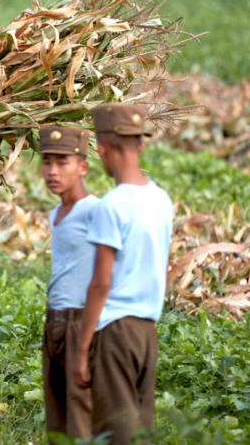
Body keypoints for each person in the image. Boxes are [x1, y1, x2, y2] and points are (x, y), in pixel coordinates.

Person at [72, 104, 173, 444]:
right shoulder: (161, 200)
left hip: (115, 331)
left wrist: (83, 348)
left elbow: (100, 284)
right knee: (140, 429)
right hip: (147, 331)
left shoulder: (110, 206)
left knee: (116, 433)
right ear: (140, 144)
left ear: (100, 150)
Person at [38, 126, 99, 443]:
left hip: (81, 322)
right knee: (56, 418)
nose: (52, 171)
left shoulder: (95, 210)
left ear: (83, 167)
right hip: (54, 323)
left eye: (62, 162)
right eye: (47, 162)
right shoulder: (55, 214)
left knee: (81, 416)